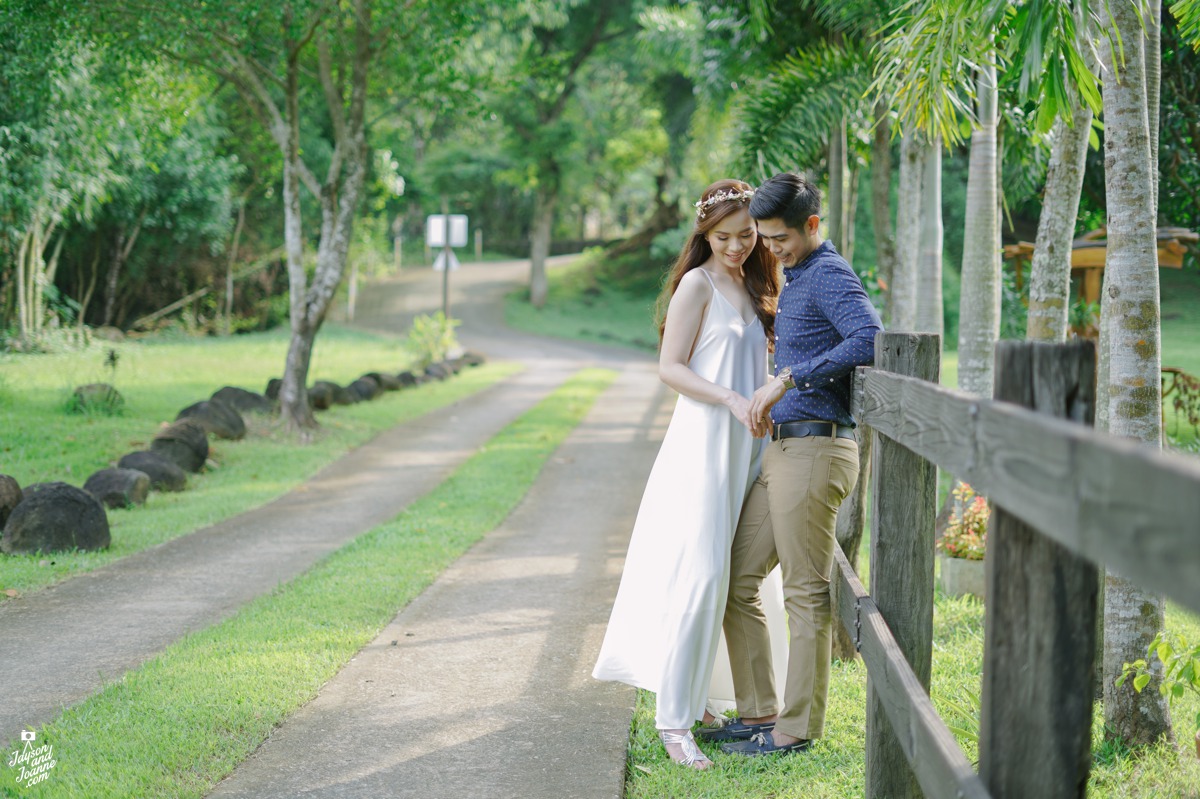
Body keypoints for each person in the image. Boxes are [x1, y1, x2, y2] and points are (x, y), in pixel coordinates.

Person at [593, 179, 780, 769]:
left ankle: (699, 699)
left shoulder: (755, 282)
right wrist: (727, 397)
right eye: (723, 236)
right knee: (700, 576)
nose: (736, 246)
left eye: (746, 234)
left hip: (748, 448)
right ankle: (674, 722)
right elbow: (670, 368)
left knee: (732, 577)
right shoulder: (696, 286)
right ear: (704, 234)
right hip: (703, 447)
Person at [698, 173, 882, 756]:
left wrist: (788, 378)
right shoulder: (796, 273)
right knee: (736, 576)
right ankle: (759, 713)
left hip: (817, 448)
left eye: (779, 238)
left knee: (805, 592)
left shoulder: (828, 272)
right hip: (782, 450)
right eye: (763, 237)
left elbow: (870, 336)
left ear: (811, 225)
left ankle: (794, 730)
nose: (769, 248)